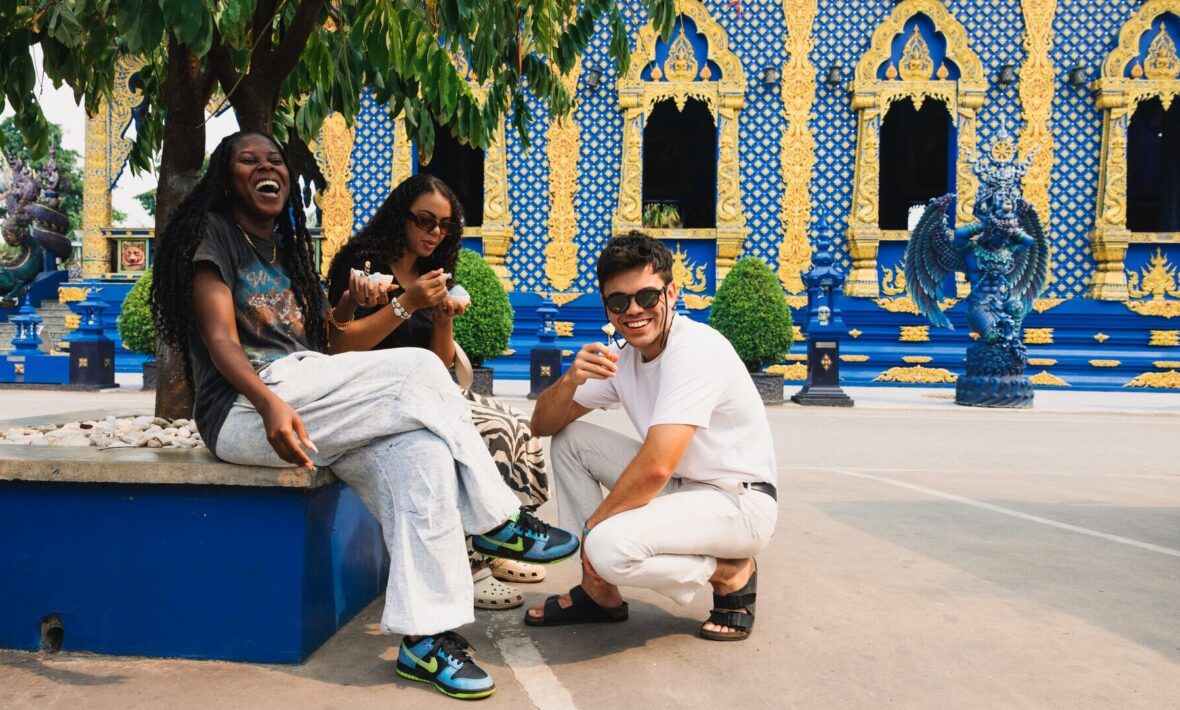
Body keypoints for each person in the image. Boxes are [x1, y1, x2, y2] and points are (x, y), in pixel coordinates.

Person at [151, 130, 579, 699]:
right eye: (247, 160)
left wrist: (349, 307)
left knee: (422, 455)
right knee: (422, 373)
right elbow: (222, 339)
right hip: (247, 413)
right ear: (225, 179)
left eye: (275, 159)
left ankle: (424, 641)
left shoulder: (287, 247)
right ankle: (499, 521)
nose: (264, 167)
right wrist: (268, 402)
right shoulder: (214, 236)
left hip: (308, 395)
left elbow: (322, 347)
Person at [526, 232, 778, 641]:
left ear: (671, 293)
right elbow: (543, 424)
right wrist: (571, 379)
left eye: (647, 296)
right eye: (619, 302)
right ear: (606, 306)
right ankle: (599, 591)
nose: (634, 311)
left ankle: (731, 570)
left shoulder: (693, 350)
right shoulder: (624, 359)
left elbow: (657, 466)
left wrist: (592, 529)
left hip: (739, 502)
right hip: (685, 489)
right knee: (571, 442)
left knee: (607, 546)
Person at [324, 173, 550, 610]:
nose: (435, 233)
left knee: (515, 427)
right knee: (476, 435)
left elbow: (443, 363)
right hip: (376, 395)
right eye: (425, 221)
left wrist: (443, 316)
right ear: (400, 216)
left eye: (446, 226)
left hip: (430, 392)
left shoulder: (433, 271)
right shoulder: (363, 265)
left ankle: (493, 541)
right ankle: (468, 562)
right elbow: (339, 345)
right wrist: (406, 302)